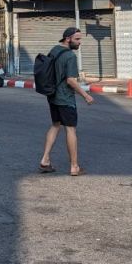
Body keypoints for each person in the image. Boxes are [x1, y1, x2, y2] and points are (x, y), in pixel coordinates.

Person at [39, 26, 94, 176]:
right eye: (77, 39)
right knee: (70, 129)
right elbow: (71, 80)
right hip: (65, 98)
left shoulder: (54, 50)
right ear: (67, 39)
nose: (79, 42)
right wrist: (85, 95)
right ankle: (74, 167)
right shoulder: (70, 56)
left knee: (55, 125)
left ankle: (45, 160)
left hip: (53, 96)